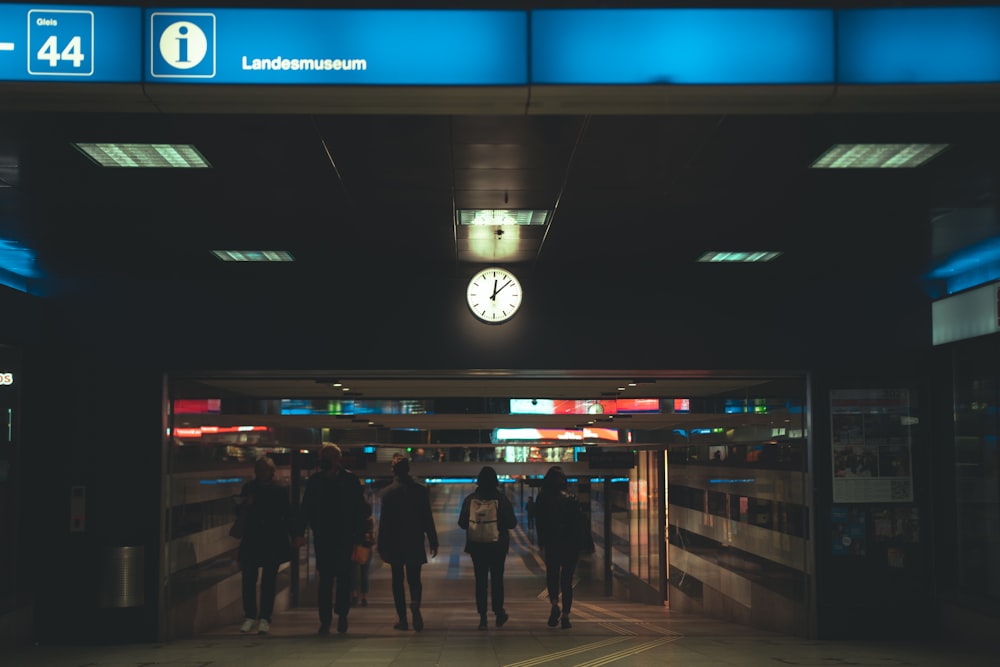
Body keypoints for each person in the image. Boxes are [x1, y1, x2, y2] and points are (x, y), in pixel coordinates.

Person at [295, 442, 370, 635]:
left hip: (344, 536)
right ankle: (326, 619)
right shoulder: (316, 481)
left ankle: (341, 614)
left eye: (328, 458)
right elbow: (306, 509)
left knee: (342, 578)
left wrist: (359, 535)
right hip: (324, 536)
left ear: (337, 460)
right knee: (326, 579)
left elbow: (359, 509)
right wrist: (299, 532)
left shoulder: (348, 481)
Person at [235, 455, 295, 635]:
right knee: (250, 579)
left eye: (264, 470)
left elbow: (287, 514)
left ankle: (263, 617)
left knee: (266, 580)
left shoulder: (277, 490)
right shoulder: (253, 489)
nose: (262, 473)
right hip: (259, 539)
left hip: (268, 539)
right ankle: (252, 616)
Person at [377, 456, 439, 631]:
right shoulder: (420, 491)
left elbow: (384, 523)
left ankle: (402, 619)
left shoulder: (387, 493)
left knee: (397, 580)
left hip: (394, 542)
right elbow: (427, 517)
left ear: (393, 470)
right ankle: (415, 603)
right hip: (414, 541)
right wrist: (433, 540)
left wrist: (381, 545)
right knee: (414, 578)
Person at [457, 466, 517, 630]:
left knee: (480, 581)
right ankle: (499, 613)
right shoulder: (502, 500)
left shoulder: (470, 500)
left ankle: (483, 617)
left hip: (477, 546)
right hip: (497, 546)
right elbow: (512, 523)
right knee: (497, 580)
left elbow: (462, 523)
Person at [534, 466, 587, 629]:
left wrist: (541, 542)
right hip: (571, 545)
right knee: (567, 580)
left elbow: (540, 523)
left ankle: (554, 604)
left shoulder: (542, 498)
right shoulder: (571, 497)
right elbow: (580, 522)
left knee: (552, 575)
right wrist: (584, 544)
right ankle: (566, 616)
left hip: (552, 543)